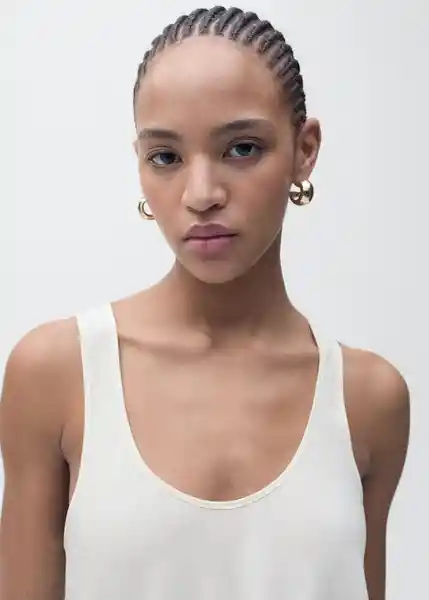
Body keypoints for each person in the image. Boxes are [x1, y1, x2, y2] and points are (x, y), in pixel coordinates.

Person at [0, 6, 410, 600]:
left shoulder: (369, 399)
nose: (201, 194)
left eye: (241, 148)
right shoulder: (57, 374)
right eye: (166, 157)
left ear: (305, 150)